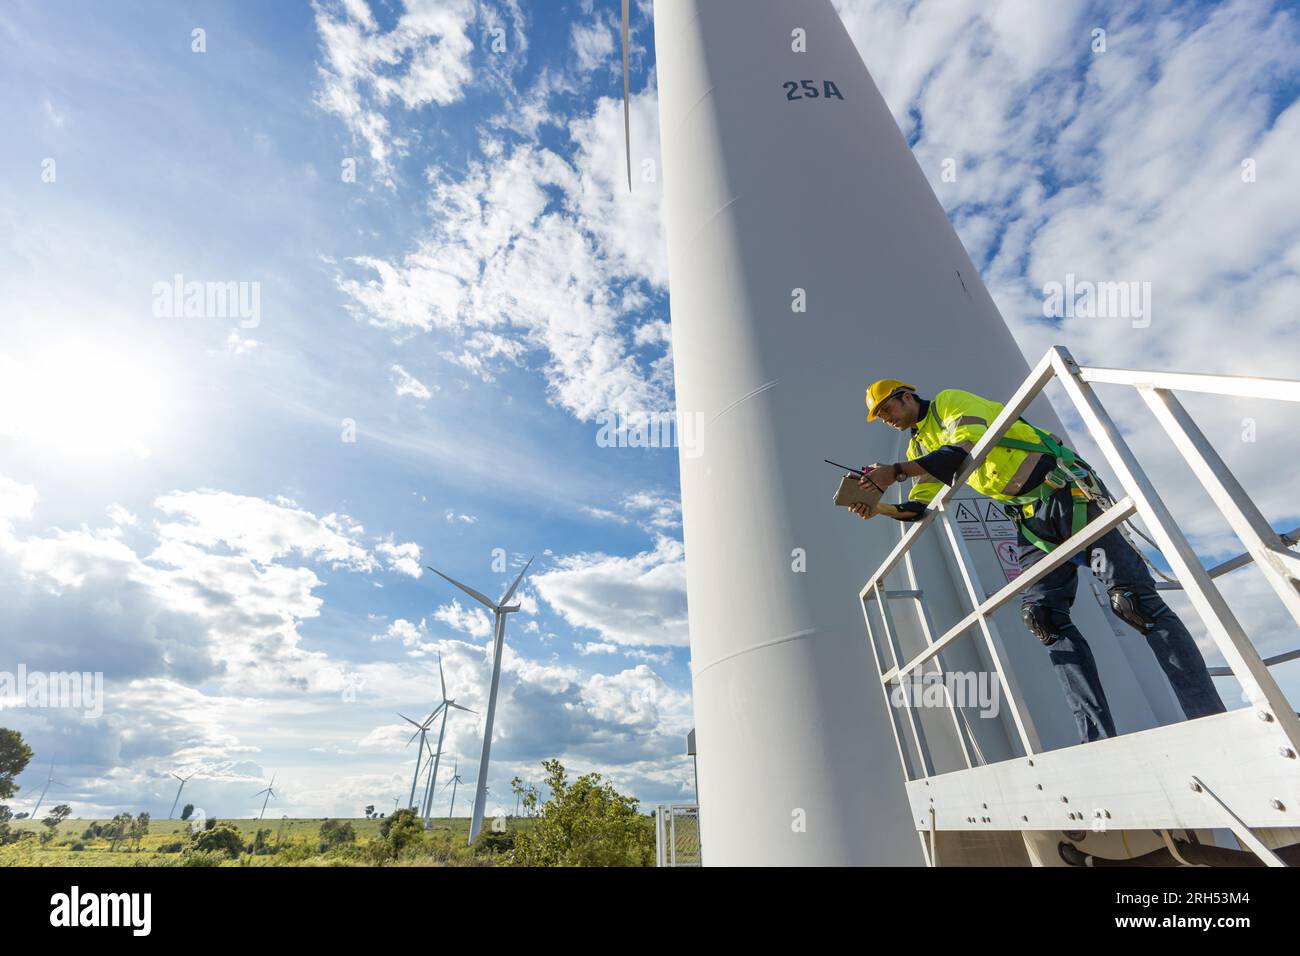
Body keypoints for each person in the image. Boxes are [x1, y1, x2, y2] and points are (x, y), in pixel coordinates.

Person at [852, 378, 1226, 743]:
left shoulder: (950, 401)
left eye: (887, 408)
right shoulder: (919, 448)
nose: (887, 418)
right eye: (880, 415)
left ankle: (1207, 717)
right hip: (1030, 521)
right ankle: (1096, 741)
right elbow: (920, 507)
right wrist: (878, 506)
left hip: (1065, 495)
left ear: (906, 397)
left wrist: (896, 471)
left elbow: (963, 450)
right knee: (1043, 618)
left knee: (1133, 603)